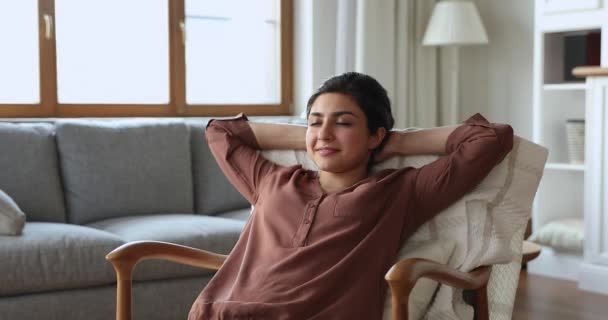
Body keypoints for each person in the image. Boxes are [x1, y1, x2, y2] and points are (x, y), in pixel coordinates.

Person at [188, 72, 513, 320]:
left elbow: (492, 138)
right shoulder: (271, 179)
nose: (325, 133)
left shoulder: (400, 193)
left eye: (343, 123)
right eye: (315, 122)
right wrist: (310, 136)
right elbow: (220, 131)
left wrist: (396, 143)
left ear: (375, 135)